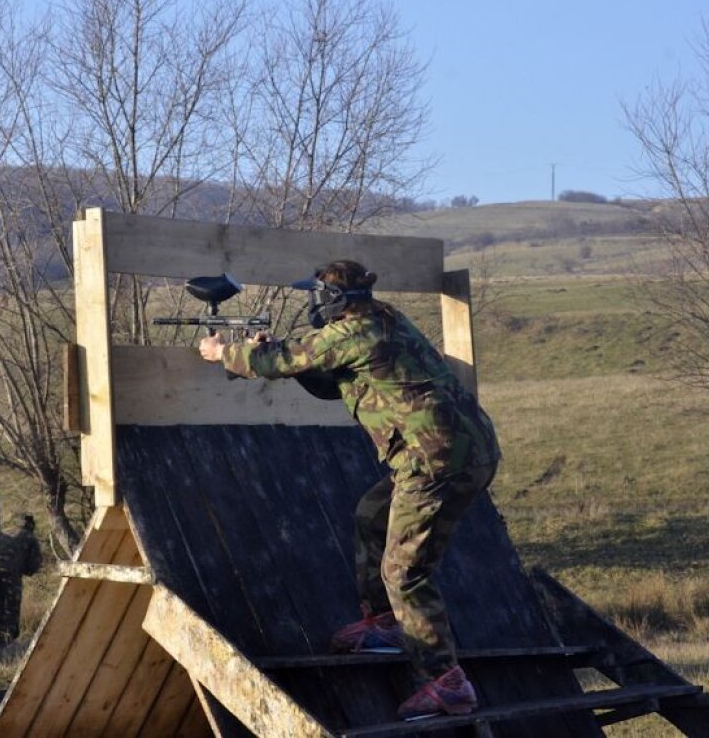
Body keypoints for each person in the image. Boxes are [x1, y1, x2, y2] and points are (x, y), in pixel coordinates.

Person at [198, 260, 500, 720]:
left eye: (316, 296)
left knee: (405, 572)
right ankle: (385, 624)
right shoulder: (384, 318)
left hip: (433, 461)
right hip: (462, 450)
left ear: (332, 300)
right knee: (371, 515)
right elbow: (329, 378)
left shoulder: (351, 333)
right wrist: (280, 355)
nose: (311, 304)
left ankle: (445, 682)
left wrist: (224, 353)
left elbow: (281, 361)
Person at [0, 515, 43, 644]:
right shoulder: (29, 537)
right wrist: (25, 571)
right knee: (12, 607)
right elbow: (35, 564)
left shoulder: (7, 530)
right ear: (31, 526)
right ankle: (10, 639)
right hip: (10, 571)